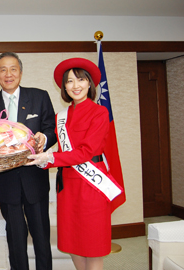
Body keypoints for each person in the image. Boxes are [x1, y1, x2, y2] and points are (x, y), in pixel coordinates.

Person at [26, 58, 124, 270]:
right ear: (64, 87)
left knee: (93, 247)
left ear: (89, 83)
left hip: (92, 185)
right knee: (72, 244)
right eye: (69, 81)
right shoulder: (61, 116)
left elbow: (87, 152)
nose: (75, 85)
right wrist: (41, 157)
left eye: (80, 79)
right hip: (68, 186)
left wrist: (51, 158)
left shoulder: (100, 113)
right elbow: (61, 153)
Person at [0, 52, 56, 270]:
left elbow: (52, 129)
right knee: (16, 241)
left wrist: (44, 138)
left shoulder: (40, 97)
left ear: (20, 72)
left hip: (35, 179)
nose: (8, 74)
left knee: (41, 239)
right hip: (7, 183)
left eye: (13, 69)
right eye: (3, 70)